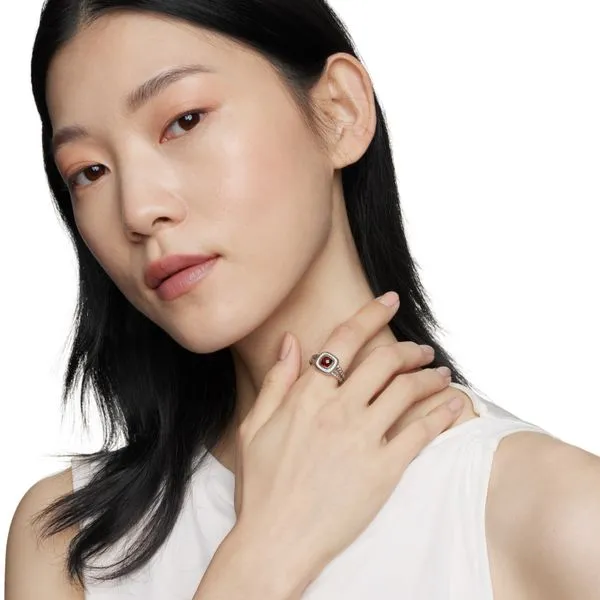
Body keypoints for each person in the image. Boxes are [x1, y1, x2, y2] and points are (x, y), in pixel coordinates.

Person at [5, 1, 600, 598]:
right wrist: (263, 553)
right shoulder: (68, 543)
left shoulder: (558, 516)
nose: (137, 209)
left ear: (340, 111)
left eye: (184, 121)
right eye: (89, 172)